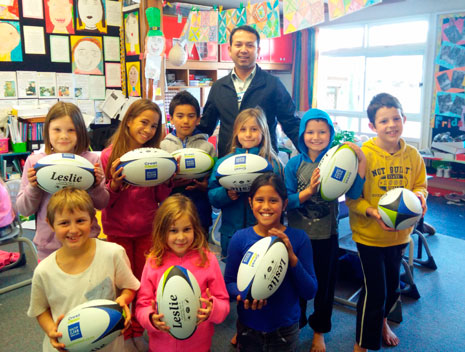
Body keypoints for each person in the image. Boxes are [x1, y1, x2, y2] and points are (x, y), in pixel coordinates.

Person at [346, 93, 427, 352]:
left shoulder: (413, 156)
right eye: (383, 121)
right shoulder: (363, 156)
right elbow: (351, 199)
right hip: (369, 236)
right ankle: (362, 344)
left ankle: (381, 322)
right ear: (373, 126)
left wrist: (420, 197)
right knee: (374, 292)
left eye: (396, 118)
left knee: (393, 289)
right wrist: (372, 212)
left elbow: (421, 186)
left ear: (404, 119)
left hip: (400, 235)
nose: (391, 125)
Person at [284, 108, 366, 352]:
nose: (316, 137)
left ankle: (319, 331)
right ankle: (295, 324)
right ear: (302, 135)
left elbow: (352, 193)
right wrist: (308, 192)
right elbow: (286, 201)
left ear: (330, 134)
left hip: (327, 235)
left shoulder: (339, 162)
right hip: (298, 237)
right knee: (295, 282)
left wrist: (360, 160)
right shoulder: (293, 164)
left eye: (322, 131)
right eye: (310, 132)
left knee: (324, 286)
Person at [27, 187, 140, 352]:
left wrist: (124, 299)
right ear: (51, 224)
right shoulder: (44, 271)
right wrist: (51, 330)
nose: (73, 230)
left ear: (92, 220)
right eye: (64, 223)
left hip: (108, 345)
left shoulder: (113, 253)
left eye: (80, 220)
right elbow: (40, 309)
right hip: (66, 345)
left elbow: (129, 286)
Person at [100, 98, 172, 351]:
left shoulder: (156, 156)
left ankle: (141, 326)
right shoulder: (109, 156)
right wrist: (116, 186)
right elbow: (103, 201)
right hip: (117, 231)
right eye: (144, 122)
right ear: (128, 121)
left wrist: (166, 177)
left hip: (147, 230)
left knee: (145, 281)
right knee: (121, 282)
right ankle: (125, 326)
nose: (149, 130)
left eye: (154, 126)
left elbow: (161, 197)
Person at [224, 173, 318, 352]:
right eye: (260, 200)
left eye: (273, 200)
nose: (266, 206)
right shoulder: (240, 238)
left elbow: (310, 291)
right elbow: (228, 283)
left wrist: (292, 258)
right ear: (250, 202)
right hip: (248, 326)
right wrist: (243, 294)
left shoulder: (299, 239)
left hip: (284, 329)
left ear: (285, 204)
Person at [135, 194, 230, 352]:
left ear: (195, 228)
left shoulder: (208, 260)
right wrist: (151, 318)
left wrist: (212, 309)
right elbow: (142, 306)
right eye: (173, 230)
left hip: (198, 346)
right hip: (161, 346)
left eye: (187, 229)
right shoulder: (153, 261)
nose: (181, 237)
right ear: (162, 231)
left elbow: (224, 303)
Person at [17, 102, 108, 260]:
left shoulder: (91, 161)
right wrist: (34, 187)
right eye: (57, 130)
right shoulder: (35, 162)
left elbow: (102, 203)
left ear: (80, 132)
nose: (64, 136)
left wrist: (95, 187)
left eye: (71, 130)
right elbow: (24, 210)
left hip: (87, 242)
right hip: (49, 248)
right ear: (47, 131)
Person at [199, 24, 300, 157]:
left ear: (258, 50)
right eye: (238, 44)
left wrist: (311, 150)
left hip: (265, 164)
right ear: (229, 49)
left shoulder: (273, 84)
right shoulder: (218, 87)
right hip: (228, 163)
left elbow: (291, 123)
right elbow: (206, 127)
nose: (244, 50)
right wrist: (182, 138)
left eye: (250, 45)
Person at [208, 107, 284, 258]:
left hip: (264, 234)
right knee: (233, 276)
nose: (248, 134)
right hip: (231, 235)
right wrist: (226, 194)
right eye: (243, 129)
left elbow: (281, 198)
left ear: (263, 132)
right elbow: (212, 196)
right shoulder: (224, 164)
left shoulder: (273, 164)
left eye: (254, 129)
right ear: (236, 132)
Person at [160, 90, 216, 234]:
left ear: (198, 119)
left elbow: (215, 179)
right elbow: (159, 182)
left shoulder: (208, 147)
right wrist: (170, 183)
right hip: (171, 209)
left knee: (200, 250)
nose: (185, 121)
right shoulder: (163, 147)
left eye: (191, 116)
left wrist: (206, 185)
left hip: (200, 209)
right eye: (180, 116)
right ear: (171, 119)